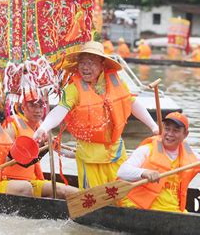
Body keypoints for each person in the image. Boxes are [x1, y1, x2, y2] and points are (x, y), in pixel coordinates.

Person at [34, 41, 158, 189]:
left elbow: (132, 104)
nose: (86, 67)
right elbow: (60, 110)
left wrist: (154, 126)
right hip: (89, 156)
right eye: (83, 63)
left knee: (123, 193)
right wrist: (43, 127)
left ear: (102, 65)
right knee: (94, 197)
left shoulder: (117, 83)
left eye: (91, 63)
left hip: (116, 153)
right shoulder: (74, 89)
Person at [118, 112, 200, 213]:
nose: (169, 134)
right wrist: (144, 172)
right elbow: (122, 171)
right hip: (142, 208)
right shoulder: (147, 150)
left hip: (173, 210)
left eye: (176, 130)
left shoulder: (189, 156)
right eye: (167, 129)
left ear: (186, 134)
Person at [1, 92, 78, 198]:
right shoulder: (11, 126)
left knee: (70, 192)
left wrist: (81, 154)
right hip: (10, 181)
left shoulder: (42, 128)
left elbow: (65, 153)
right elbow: (6, 160)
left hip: (31, 181)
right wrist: (41, 148)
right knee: (26, 188)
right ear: (23, 108)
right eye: (32, 106)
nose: (37, 110)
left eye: (41, 106)